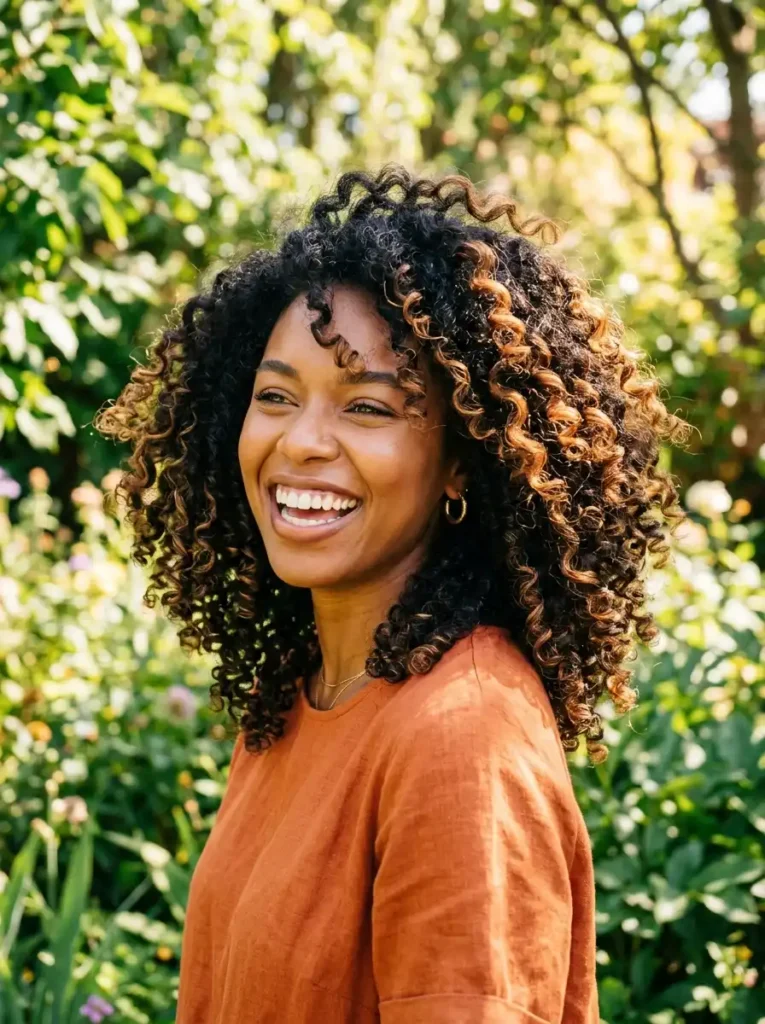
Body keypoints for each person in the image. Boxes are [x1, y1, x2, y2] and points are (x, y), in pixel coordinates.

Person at [94, 165, 687, 1023]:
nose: (301, 442)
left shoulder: (461, 738)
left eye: (366, 408)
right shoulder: (301, 699)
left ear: (461, 463)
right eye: (274, 397)